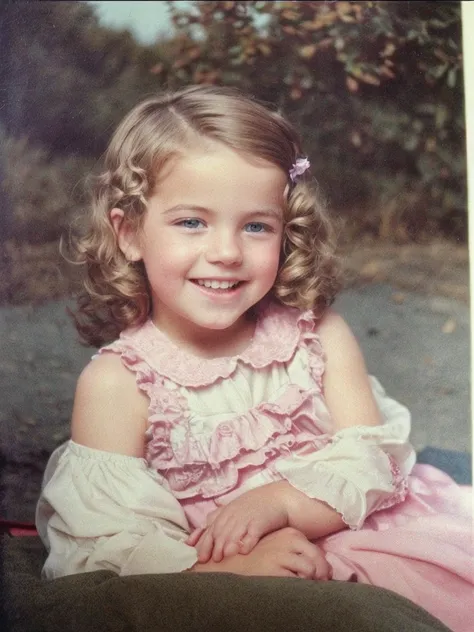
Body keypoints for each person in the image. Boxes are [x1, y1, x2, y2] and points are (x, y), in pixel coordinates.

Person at [36, 85, 472, 631]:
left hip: (369, 536)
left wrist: (282, 503)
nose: (226, 251)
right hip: (219, 570)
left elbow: (375, 463)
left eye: (256, 226)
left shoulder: (319, 336)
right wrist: (239, 567)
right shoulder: (118, 383)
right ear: (129, 233)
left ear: (286, 233)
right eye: (191, 221)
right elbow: (112, 546)